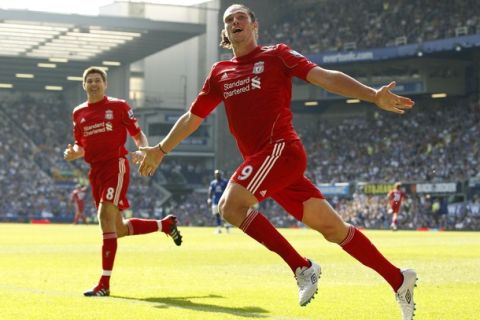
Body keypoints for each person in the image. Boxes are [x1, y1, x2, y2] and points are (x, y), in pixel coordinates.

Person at [138, 4, 416, 319]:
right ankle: (398, 278)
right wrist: (160, 149)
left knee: (230, 206)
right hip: (266, 163)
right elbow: (193, 117)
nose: (234, 21)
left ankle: (302, 267)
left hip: (281, 150)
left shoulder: (276, 55)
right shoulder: (219, 73)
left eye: (240, 16)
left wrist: (372, 95)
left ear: (254, 25)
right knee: (332, 229)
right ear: (226, 33)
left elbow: (324, 77)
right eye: (228, 20)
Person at [63, 66, 183, 297]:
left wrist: (142, 151)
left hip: (115, 166)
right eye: (90, 81)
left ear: (105, 84)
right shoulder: (79, 112)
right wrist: (73, 153)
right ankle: (165, 225)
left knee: (104, 216)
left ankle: (104, 284)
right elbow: (81, 145)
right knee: (117, 229)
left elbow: (138, 135)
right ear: (84, 85)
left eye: (98, 80)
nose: (94, 84)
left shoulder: (118, 107)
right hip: (95, 170)